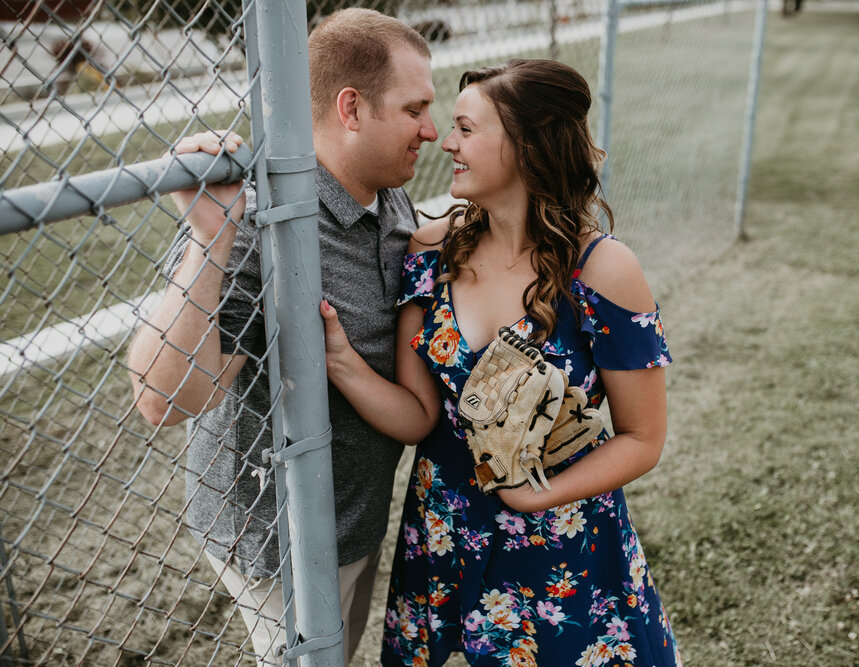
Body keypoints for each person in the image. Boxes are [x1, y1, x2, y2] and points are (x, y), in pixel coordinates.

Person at [320, 58, 681, 666]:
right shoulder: (431, 250)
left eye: (466, 128)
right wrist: (343, 363)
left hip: (561, 544)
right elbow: (417, 417)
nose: (446, 142)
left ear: (528, 146)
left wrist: (538, 497)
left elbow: (644, 439)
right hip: (442, 532)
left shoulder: (602, 272)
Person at [126, 8, 438, 665]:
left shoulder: (385, 195)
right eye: (415, 110)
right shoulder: (258, 224)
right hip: (279, 537)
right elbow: (166, 399)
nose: (431, 130)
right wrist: (211, 238)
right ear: (351, 109)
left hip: (349, 516)